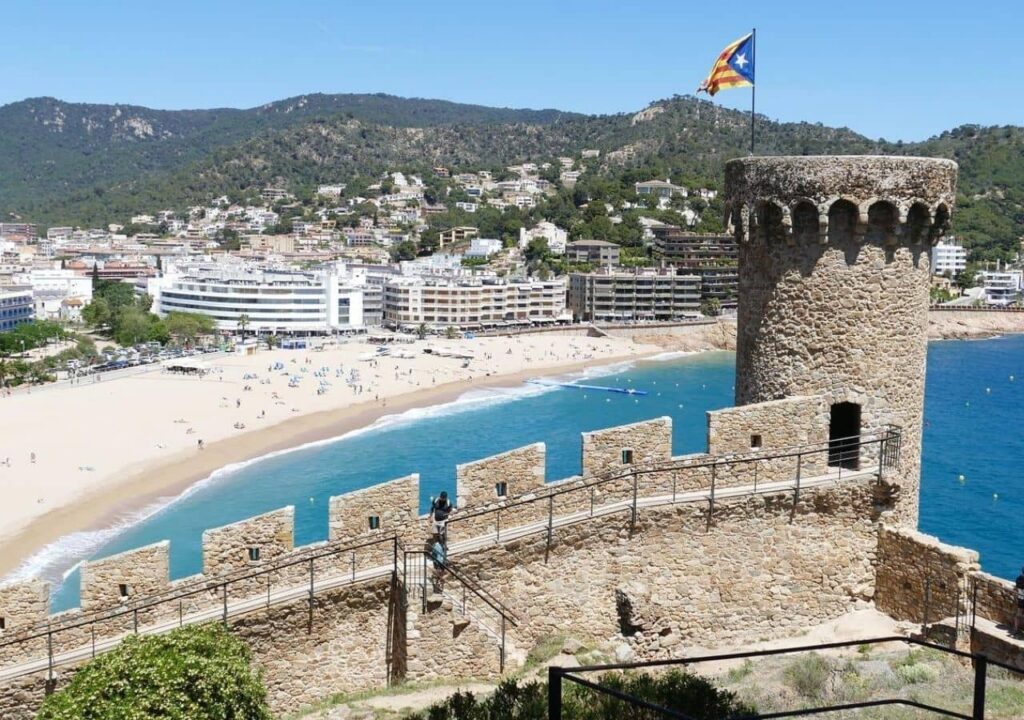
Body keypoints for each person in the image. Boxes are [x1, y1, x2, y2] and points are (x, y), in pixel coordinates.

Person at [1015, 567, 1024, 635]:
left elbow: (1017, 586)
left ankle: (1016, 629)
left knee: (1018, 614)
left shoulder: (1018, 579)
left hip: (1020, 598)